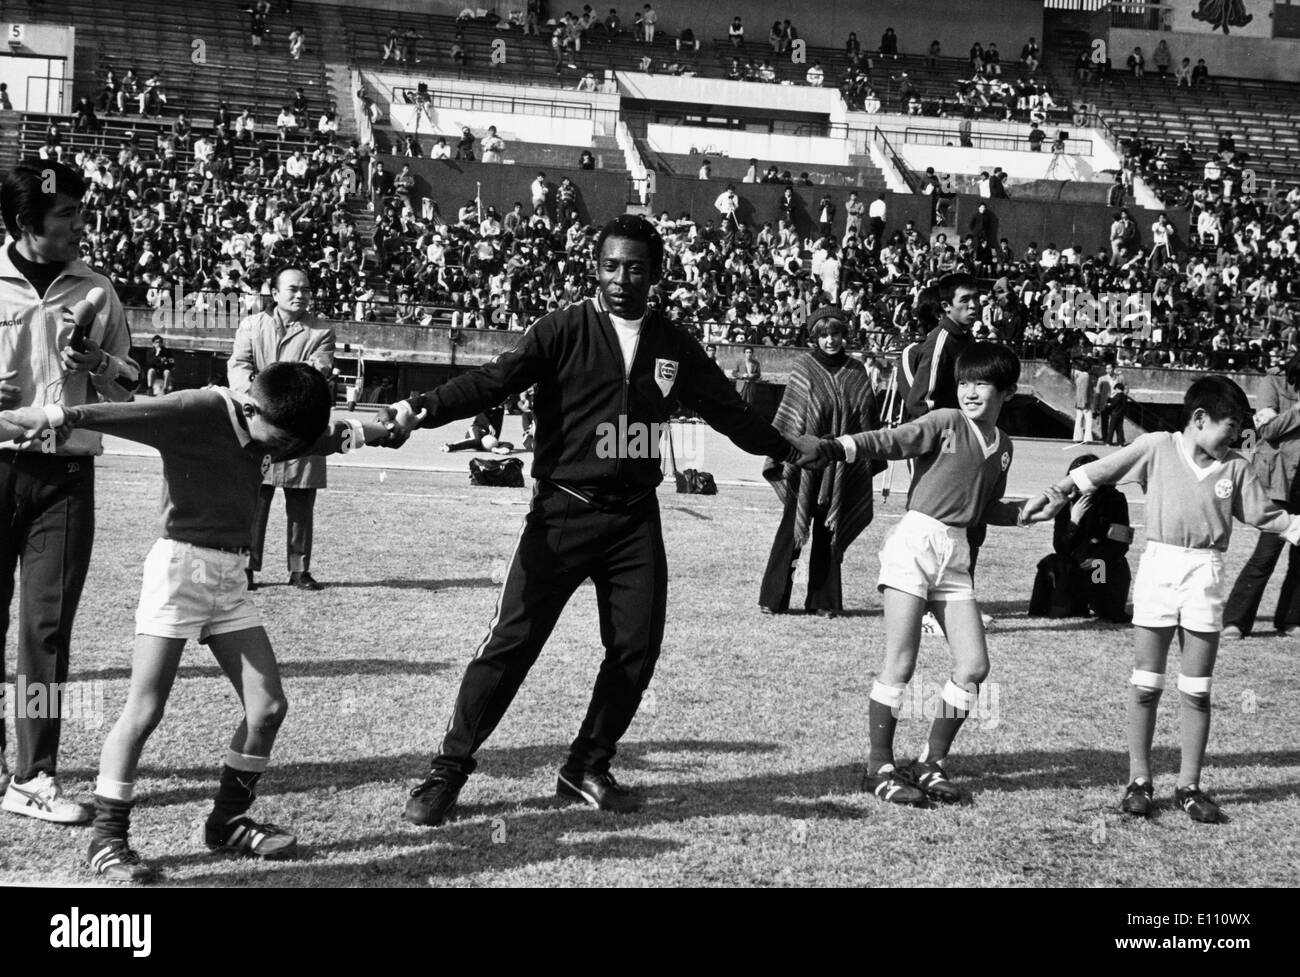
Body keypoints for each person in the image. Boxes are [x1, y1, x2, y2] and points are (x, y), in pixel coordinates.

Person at [381, 215, 823, 826]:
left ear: (657, 273)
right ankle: (447, 771)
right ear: (597, 268)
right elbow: (492, 381)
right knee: (511, 645)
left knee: (635, 651)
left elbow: (728, 412)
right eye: (611, 266)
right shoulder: (562, 329)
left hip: (635, 523)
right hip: (562, 515)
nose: (622, 278)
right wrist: (418, 407)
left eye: (636, 267)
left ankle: (585, 766)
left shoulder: (674, 344)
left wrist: (786, 445)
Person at [0, 363, 396, 881]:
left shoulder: (275, 425)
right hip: (178, 572)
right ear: (252, 405)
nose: (274, 453)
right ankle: (108, 841)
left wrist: (371, 432)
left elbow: (314, 439)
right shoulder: (199, 408)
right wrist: (48, 415)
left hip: (230, 581)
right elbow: (113, 414)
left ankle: (227, 821)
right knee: (143, 711)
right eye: (274, 441)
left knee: (268, 708)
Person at [1023, 376, 1300, 825]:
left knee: (1196, 689)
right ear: (1198, 419)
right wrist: (1057, 495)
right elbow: (1100, 471)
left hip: (1205, 574)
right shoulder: (1156, 446)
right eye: (1229, 429)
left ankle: (1189, 786)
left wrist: (1296, 527)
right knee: (1147, 683)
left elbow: (1267, 516)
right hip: (1160, 568)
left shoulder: (1236, 469)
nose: (1234, 439)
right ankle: (1139, 781)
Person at [818, 343, 1027, 806]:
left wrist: (1027, 513)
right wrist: (840, 446)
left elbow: (986, 507)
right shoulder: (946, 422)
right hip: (916, 541)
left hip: (955, 554)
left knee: (974, 666)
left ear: (1008, 390)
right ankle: (880, 767)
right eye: (965, 382)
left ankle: (930, 763)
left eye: (983, 383)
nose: (971, 391)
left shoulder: (1004, 445)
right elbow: (895, 440)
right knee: (902, 662)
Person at [0, 160, 139, 824]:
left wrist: (101, 365)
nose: (81, 224)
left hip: (65, 478)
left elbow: (129, 387)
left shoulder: (99, 291)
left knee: (46, 632)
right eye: (67, 216)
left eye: (81, 212)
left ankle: (33, 774)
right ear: (27, 226)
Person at [760, 308, 879, 616]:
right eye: (824, 335)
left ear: (844, 335)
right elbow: (791, 418)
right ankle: (774, 599)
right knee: (792, 529)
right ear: (815, 337)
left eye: (836, 334)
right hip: (804, 464)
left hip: (841, 465)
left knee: (830, 529)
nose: (830, 340)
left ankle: (822, 602)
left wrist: (858, 453)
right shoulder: (804, 368)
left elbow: (866, 421)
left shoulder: (857, 372)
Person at [228, 267, 336, 592]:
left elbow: (317, 373)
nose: (300, 294)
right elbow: (239, 364)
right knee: (254, 499)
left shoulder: (321, 331)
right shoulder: (251, 325)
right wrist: (258, 399)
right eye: (292, 289)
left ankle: (299, 569)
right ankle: (245, 566)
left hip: (302, 426)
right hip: (259, 425)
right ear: (274, 293)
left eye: (305, 289)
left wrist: (281, 398)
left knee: (301, 499)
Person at [1223, 351, 1300, 638]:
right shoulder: (1274, 383)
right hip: (1280, 478)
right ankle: (1236, 620)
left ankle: (1291, 619)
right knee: (1267, 553)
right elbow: (1266, 430)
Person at [1029, 454, 1132, 622]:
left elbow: (1121, 543)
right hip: (1075, 564)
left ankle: (1099, 603)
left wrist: (1099, 558)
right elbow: (1060, 547)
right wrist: (1073, 521)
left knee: (1103, 571)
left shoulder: (1114, 499)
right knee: (1053, 563)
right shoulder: (1066, 502)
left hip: (1101, 564)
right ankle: (1067, 604)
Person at [441, 406, 506, 452]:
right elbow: (480, 414)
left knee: (507, 444)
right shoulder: (488, 400)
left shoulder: (500, 409)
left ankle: (497, 449)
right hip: (476, 428)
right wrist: (489, 425)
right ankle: (450, 446)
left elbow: (498, 425)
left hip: (486, 436)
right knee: (476, 440)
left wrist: (495, 441)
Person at [1072, 359, 1095, 444]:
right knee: (1088, 420)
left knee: (1079, 420)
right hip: (1085, 401)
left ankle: (1077, 437)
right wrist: (1085, 402)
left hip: (1078, 401)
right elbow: (1084, 390)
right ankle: (1087, 438)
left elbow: (1079, 390)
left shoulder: (1078, 377)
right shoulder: (1086, 376)